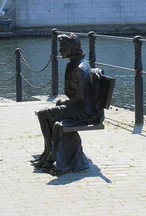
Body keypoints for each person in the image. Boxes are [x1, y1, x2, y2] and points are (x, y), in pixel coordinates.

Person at [31, 33, 98, 175]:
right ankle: (49, 152)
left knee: (44, 114)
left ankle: (50, 153)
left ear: (72, 48)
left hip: (82, 112)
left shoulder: (79, 68)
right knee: (47, 113)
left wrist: (66, 102)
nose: (60, 51)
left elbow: (79, 97)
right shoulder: (74, 64)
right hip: (78, 107)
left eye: (63, 47)